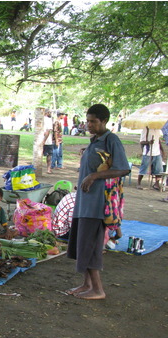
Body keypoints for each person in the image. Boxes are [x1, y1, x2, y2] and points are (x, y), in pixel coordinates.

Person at [66, 104, 130, 300]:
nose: (89, 125)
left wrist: (94, 176)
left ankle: (98, 289)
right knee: (82, 243)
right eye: (87, 121)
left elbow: (123, 169)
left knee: (91, 245)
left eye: (93, 121)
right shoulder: (95, 141)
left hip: (97, 204)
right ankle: (87, 284)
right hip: (84, 202)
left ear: (104, 121)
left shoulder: (111, 140)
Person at [137, 126, 163, 191]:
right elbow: (141, 142)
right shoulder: (146, 129)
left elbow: (158, 140)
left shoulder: (157, 129)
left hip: (157, 152)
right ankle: (139, 183)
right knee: (144, 168)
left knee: (159, 170)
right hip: (148, 152)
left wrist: (162, 150)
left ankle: (156, 184)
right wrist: (149, 142)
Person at [42, 109, 54, 174]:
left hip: (41, 140)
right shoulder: (49, 120)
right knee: (49, 155)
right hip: (47, 141)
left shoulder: (40, 119)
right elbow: (48, 131)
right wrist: (44, 140)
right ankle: (48, 169)